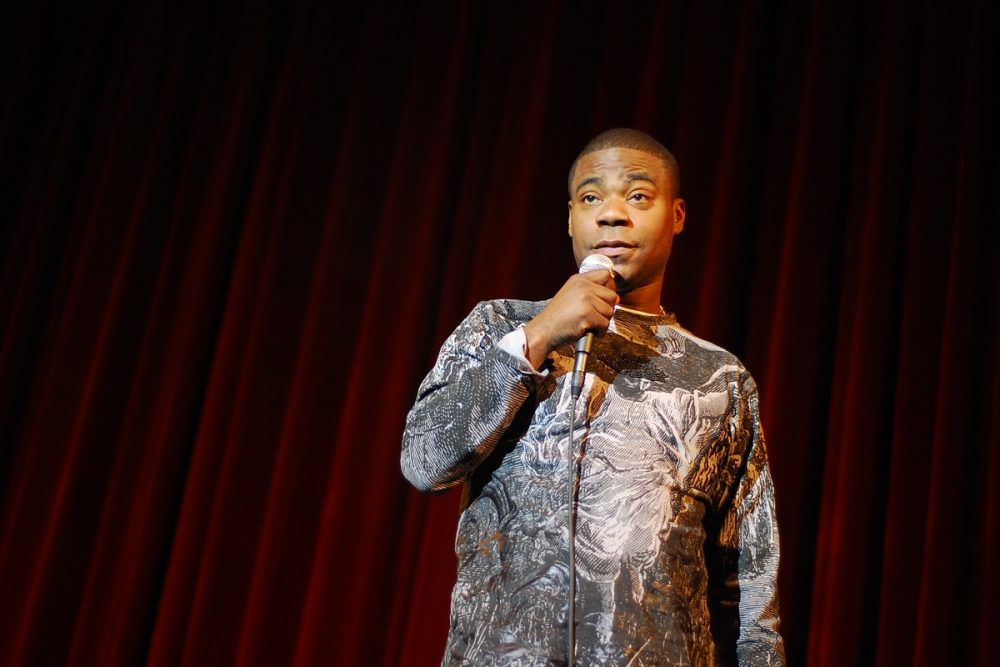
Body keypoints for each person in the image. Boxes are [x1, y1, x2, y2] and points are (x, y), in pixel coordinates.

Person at [401, 128, 785, 666]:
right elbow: (425, 463)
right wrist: (536, 338)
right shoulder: (498, 328)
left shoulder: (718, 378)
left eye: (636, 196)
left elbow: (746, 585)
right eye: (590, 197)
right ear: (569, 219)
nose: (611, 214)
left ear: (676, 216)